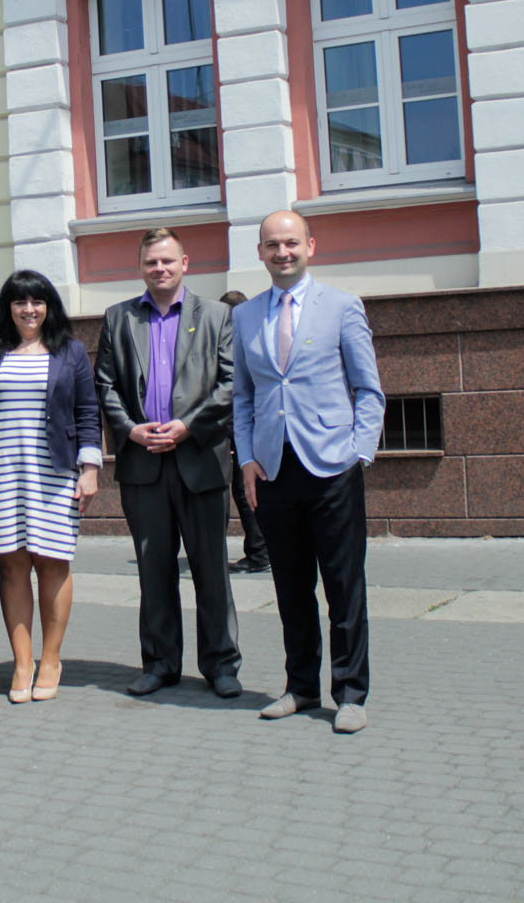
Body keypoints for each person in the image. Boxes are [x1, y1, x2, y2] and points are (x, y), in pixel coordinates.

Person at [232, 210, 385, 735]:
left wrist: (358, 452)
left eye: (291, 243)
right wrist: (247, 457)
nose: (283, 253)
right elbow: (244, 396)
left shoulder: (341, 306)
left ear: (310, 246)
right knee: (291, 587)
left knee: (343, 586)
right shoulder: (245, 316)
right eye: (273, 245)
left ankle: (351, 693)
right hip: (274, 469)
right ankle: (300, 687)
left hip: (332, 465)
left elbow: (368, 390)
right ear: (260, 252)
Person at [95, 229, 241, 699]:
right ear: (140, 267)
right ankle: (160, 663)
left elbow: (230, 383)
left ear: (185, 263)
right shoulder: (118, 318)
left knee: (211, 571)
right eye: (151, 262)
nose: (159, 269)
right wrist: (129, 430)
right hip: (143, 465)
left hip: (200, 462)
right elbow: (104, 384)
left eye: (167, 261)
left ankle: (221, 664)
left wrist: (188, 427)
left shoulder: (216, 315)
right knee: (153, 570)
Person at [0, 270, 101, 703]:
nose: (29, 309)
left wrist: (90, 468)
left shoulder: (71, 351)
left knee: (52, 563)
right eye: (20, 301)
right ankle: (22, 662)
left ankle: (51, 659)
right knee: (11, 566)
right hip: (0, 473)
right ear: (7, 308)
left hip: (53, 473)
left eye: (37, 301)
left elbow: (88, 412)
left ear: (49, 307)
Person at [219, 289, 269, 575]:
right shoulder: (254, 337)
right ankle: (262, 550)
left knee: (243, 492)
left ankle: (260, 552)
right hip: (253, 429)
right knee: (248, 491)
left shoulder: (233, 344)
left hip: (240, 431)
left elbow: (234, 394)